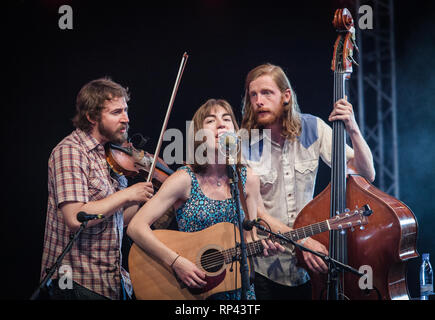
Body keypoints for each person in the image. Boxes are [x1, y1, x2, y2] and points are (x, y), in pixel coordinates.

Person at [240, 63, 376, 300]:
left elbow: (366, 174)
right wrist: (302, 240)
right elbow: (255, 212)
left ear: (286, 96)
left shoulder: (313, 128)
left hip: (311, 266)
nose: (258, 101)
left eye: (266, 93)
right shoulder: (243, 142)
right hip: (265, 267)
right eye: (253, 95)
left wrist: (352, 128)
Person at [127, 98, 284, 300]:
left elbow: (249, 238)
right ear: (199, 135)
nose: (221, 124)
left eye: (227, 119)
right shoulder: (184, 179)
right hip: (191, 292)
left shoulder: (248, 179)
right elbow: (136, 227)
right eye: (211, 120)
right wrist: (176, 262)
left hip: (238, 290)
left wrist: (263, 248)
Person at [40, 78, 155, 300]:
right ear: (92, 117)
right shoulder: (70, 152)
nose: (126, 119)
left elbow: (120, 218)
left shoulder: (111, 155)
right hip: (74, 282)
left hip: (109, 283)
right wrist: (128, 194)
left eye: (126, 110)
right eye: (116, 112)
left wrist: (152, 199)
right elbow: (75, 218)